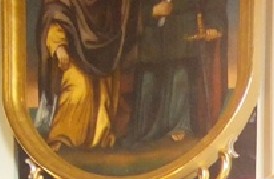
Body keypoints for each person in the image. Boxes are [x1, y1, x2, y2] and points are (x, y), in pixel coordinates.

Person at [36, 0, 135, 150]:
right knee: (79, 89)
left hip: (102, 57)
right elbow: (54, 14)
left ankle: (99, 138)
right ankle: (63, 137)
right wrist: (59, 47)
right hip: (72, 53)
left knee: (102, 97)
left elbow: (118, 19)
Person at [126, 0, 228, 147]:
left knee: (179, 78)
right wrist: (150, 12)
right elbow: (126, 8)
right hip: (151, 37)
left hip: (182, 32)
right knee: (148, 82)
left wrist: (214, 23)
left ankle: (178, 127)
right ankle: (144, 132)